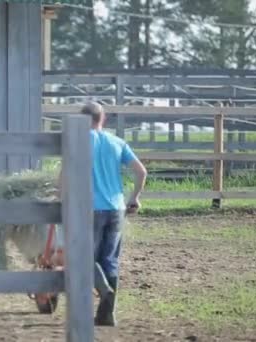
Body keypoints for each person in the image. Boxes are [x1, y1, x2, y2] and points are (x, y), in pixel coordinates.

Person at [58, 101, 148, 327]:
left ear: (82, 119)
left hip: (88, 208)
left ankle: (102, 289)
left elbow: (65, 175)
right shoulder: (117, 142)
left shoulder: (78, 142)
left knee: (83, 256)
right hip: (116, 208)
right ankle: (107, 314)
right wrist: (134, 197)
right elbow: (141, 171)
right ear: (103, 118)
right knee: (110, 260)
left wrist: (60, 198)